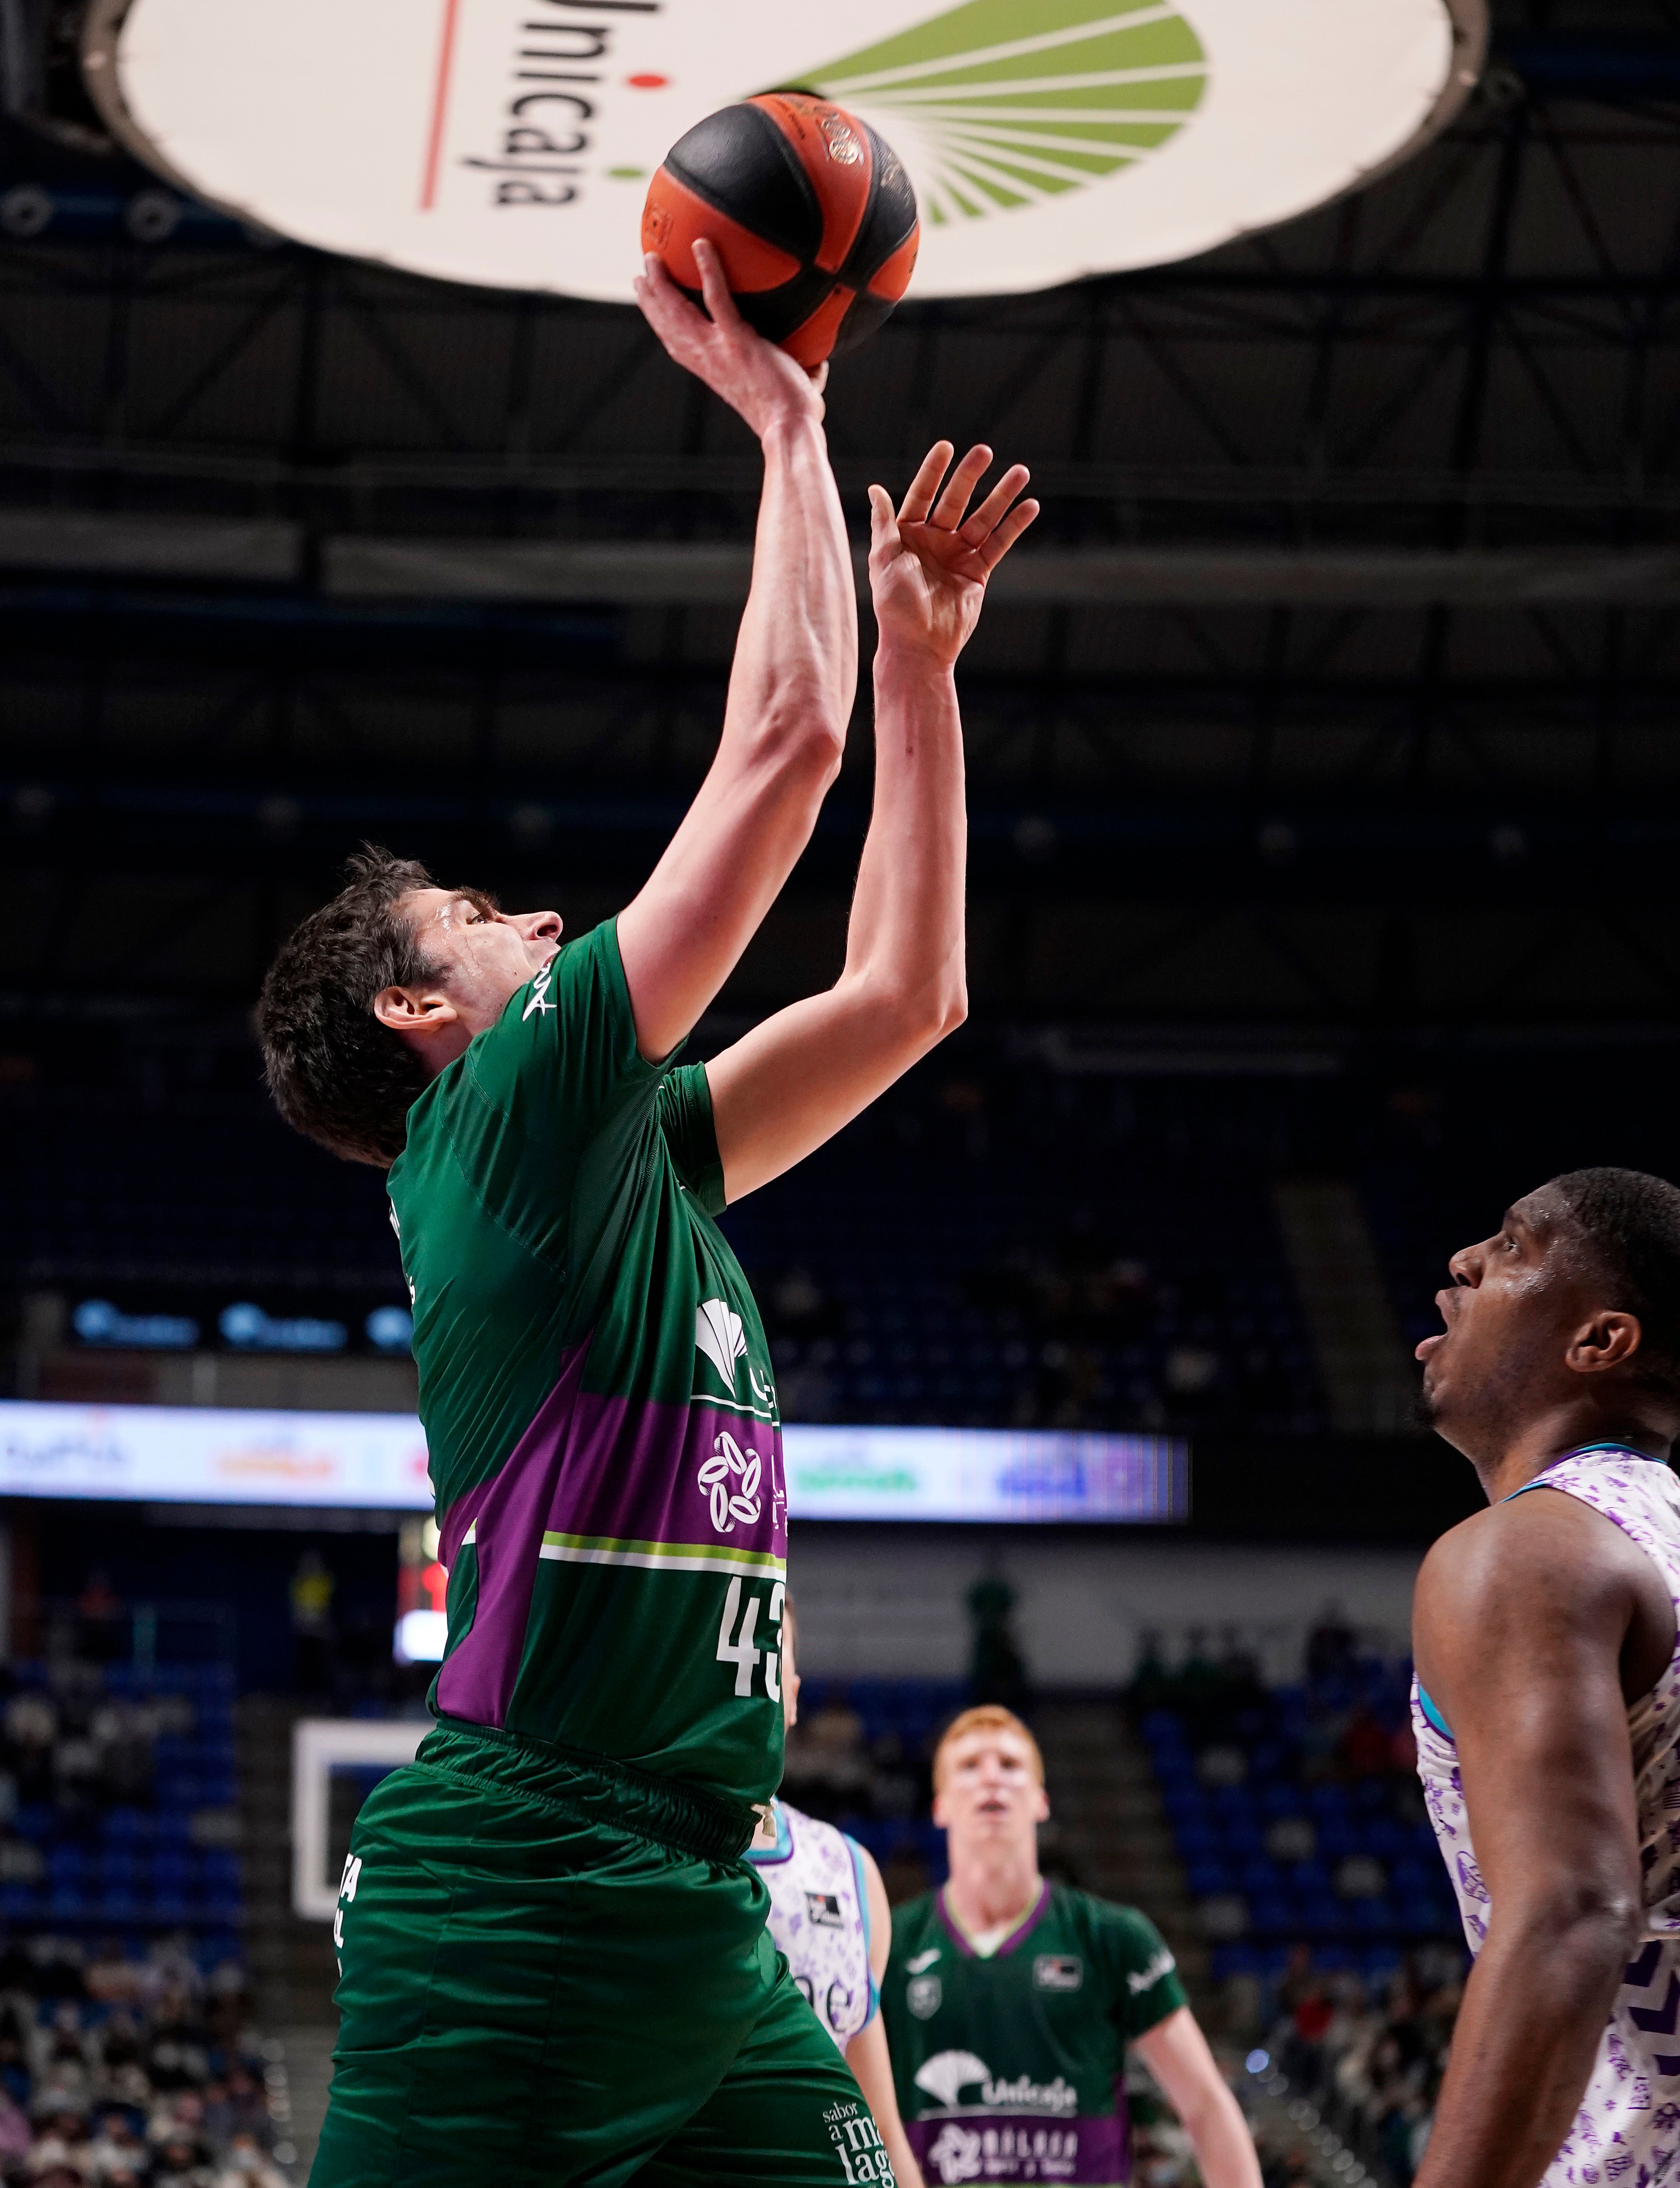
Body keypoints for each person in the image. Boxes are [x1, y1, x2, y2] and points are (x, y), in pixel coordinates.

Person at [255, 233, 1037, 2188]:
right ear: (423, 1011)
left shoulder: (624, 1151)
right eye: (485, 919)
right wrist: (788, 420)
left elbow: (902, 1004)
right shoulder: (500, 1123)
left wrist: (926, 673)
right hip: (522, 1892)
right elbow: (781, 750)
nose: (541, 916)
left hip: (690, 1888)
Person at [1408, 1167, 1680, 2188]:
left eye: (1514, 1246)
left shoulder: (1528, 1553)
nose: (1463, 1262)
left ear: (1600, 1341)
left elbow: (1572, 1911)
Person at [883, 1706, 1262, 2188]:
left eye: (1010, 1764)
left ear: (1041, 1801)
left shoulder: (1112, 1935)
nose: (992, 1778)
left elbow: (1205, 2105)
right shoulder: (889, 1943)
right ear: (939, 1805)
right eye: (970, 1765)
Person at [749, 1600, 924, 2188]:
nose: (749, 1667)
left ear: (794, 1695)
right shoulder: (630, 1848)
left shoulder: (849, 1870)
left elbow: (877, 2126)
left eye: (770, 1650)